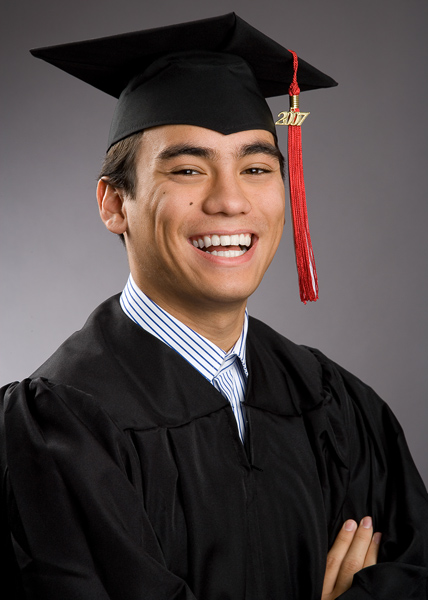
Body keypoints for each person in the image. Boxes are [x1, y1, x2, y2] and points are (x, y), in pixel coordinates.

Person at [1, 12, 427, 600]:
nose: (230, 200)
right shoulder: (58, 428)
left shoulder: (336, 405)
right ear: (115, 204)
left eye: (256, 168)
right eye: (188, 169)